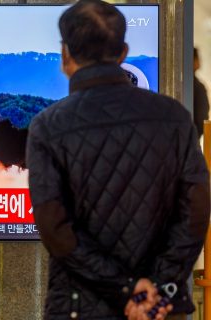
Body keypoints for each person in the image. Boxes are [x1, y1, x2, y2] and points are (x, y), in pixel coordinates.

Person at [26, 1, 210, 319]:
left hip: (79, 306)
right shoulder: (175, 118)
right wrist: (159, 286)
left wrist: (125, 288)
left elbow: (56, 229)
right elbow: (195, 210)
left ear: (65, 55)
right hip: (160, 309)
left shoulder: (48, 126)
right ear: (123, 52)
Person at [194, 48, 210, 138]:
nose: (199, 62)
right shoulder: (197, 87)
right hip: (193, 136)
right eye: (197, 58)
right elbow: (202, 117)